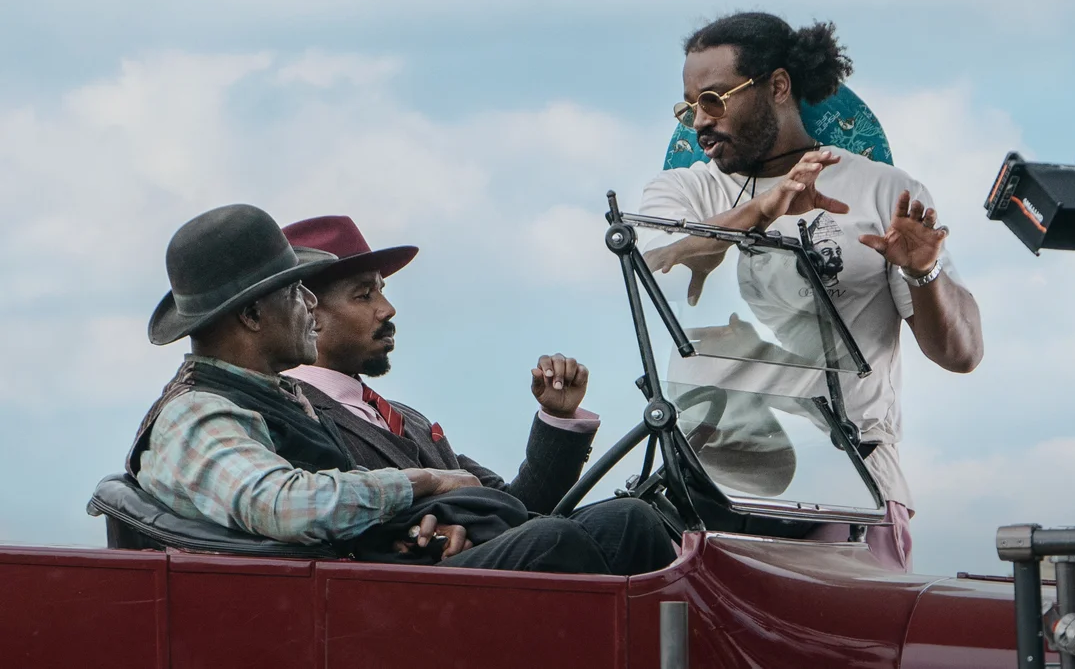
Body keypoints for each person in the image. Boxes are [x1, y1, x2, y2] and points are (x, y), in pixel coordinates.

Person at [127, 204, 673, 575]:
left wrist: (422, 527)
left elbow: (499, 501)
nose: (309, 307)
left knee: (626, 520)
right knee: (558, 543)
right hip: (332, 609)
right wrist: (422, 484)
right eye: (297, 293)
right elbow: (282, 507)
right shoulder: (198, 414)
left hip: (368, 580)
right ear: (250, 314)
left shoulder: (279, 399)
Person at [639, 11, 984, 570]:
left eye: (715, 99)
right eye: (689, 106)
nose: (698, 121)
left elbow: (963, 354)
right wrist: (765, 207)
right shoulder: (684, 190)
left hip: (850, 489)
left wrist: (925, 272)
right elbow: (654, 264)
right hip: (713, 488)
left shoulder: (884, 191)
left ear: (777, 86)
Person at [279, 214, 674, 575]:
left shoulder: (407, 418)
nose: (388, 309)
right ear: (307, 312)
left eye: (382, 290)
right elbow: (315, 516)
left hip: (466, 570)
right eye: (364, 295)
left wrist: (558, 418)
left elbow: (521, 506)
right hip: (393, 588)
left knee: (630, 518)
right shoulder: (292, 411)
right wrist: (421, 533)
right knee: (555, 540)